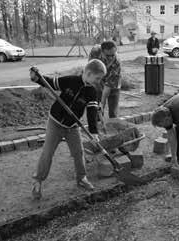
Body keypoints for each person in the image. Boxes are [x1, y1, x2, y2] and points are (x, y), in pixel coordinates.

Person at [29, 59, 107, 198]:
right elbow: (51, 82)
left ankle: (82, 178)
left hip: (72, 126)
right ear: (88, 73)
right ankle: (38, 181)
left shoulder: (92, 92)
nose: (98, 81)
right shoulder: (71, 81)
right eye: (97, 78)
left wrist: (94, 133)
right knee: (47, 153)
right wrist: (37, 78)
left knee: (78, 152)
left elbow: (91, 112)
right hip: (55, 122)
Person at [89, 40, 121, 118]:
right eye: (108, 55)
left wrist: (102, 103)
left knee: (113, 112)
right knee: (97, 111)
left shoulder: (117, 62)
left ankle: (113, 125)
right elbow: (91, 69)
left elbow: (109, 85)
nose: (110, 57)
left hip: (113, 84)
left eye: (112, 55)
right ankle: (98, 125)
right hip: (98, 81)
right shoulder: (95, 52)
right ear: (102, 52)